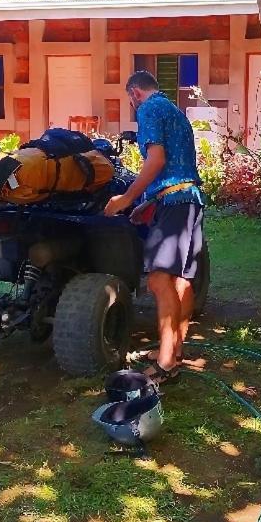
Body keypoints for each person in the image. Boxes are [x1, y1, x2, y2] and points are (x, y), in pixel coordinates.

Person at [104, 70, 204, 384]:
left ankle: (165, 365)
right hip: (189, 199)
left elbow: (157, 159)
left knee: (160, 280)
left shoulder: (147, 109)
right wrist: (145, 205)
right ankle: (173, 349)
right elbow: (177, 167)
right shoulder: (174, 111)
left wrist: (126, 198)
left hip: (175, 203)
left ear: (134, 93)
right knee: (181, 281)